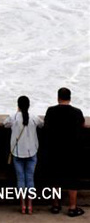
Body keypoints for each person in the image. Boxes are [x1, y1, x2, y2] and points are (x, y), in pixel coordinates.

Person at [44, 87, 86, 217]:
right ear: (70, 98)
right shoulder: (77, 112)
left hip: (55, 150)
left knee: (55, 179)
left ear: (58, 98)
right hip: (72, 151)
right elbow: (83, 124)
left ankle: (55, 205)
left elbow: (46, 126)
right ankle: (72, 208)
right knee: (72, 179)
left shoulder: (51, 111)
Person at [4, 95, 43, 215]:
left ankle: (23, 206)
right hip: (31, 152)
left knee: (21, 179)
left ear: (18, 105)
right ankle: (30, 206)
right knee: (30, 179)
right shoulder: (33, 117)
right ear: (29, 105)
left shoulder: (14, 117)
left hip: (17, 153)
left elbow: (5, 124)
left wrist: (17, 112)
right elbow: (41, 124)